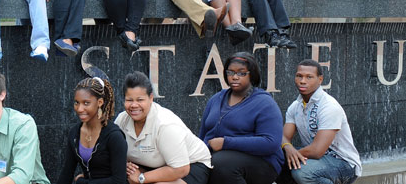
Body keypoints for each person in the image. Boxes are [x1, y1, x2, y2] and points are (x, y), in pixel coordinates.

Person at [198, 52, 284, 184]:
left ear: (252, 75)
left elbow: (271, 142)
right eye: (230, 72)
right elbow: (203, 134)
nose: (235, 77)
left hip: (262, 163)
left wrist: (226, 143)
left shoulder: (264, 102)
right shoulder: (216, 99)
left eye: (242, 73)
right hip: (220, 157)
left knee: (221, 163)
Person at [117, 71, 212, 184]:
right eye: (129, 100)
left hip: (189, 167)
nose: (134, 105)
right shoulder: (122, 120)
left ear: (151, 98)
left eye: (140, 100)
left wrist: (141, 178)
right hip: (151, 167)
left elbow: (181, 169)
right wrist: (127, 166)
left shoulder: (165, 125)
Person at [276, 59, 361, 184]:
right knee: (273, 159)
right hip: (314, 160)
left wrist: (293, 154)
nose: (302, 81)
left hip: (344, 164)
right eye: (299, 76)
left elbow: (317, 151)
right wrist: (288, 148)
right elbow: (284, 136)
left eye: (309, 77)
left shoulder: (329, 106)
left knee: (303, 172)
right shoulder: (295, 106)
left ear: (320, 80)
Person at [56, 77, 127, 184]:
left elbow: (119, 181)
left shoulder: (114, 136)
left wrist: (82, 182)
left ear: (99, 102)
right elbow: (67, 173)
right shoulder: (75, 133)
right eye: (76, 103)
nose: (79, 109)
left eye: (86, 103)